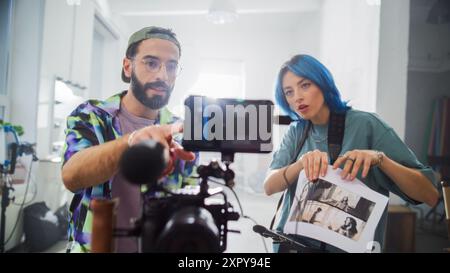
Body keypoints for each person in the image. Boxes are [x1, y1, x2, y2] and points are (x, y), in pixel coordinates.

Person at [264, 54, 439, 252]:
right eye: (289, 92)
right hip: (292, 246)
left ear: (323, 83)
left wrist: (381, 159)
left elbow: (430, 195)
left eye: (305, 85)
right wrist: (300, 164)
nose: (297, 97)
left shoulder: (367, 125)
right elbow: (269, 186)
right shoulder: (296, 131)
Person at [61, 26, 197, 253]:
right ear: (128, 66)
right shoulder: (92, 115)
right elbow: (72, 176)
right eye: (151, 63)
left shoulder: (180, 131)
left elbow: (189, 200)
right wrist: (133, 140)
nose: (162, 75)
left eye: (171, 66)